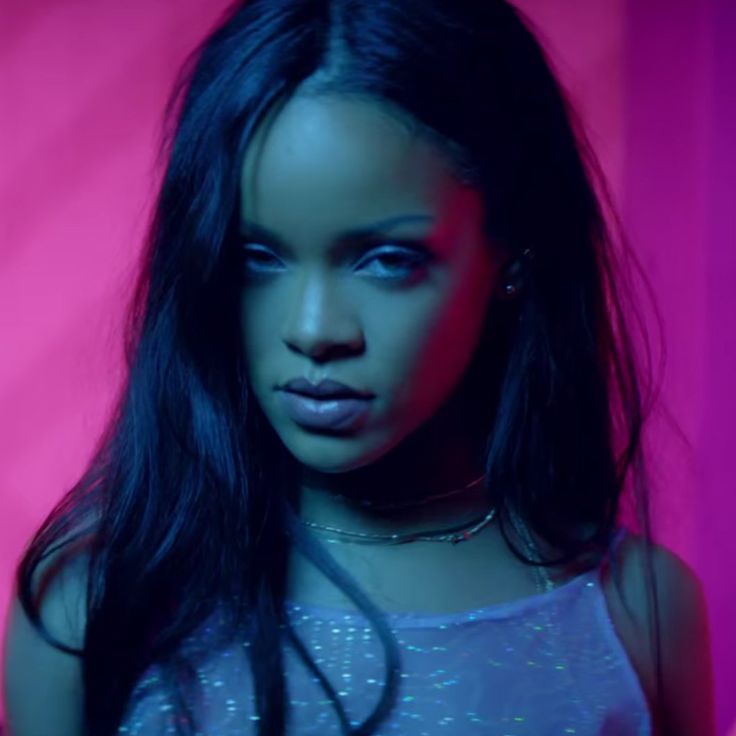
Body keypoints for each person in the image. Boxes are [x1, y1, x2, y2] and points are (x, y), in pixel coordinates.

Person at [1, 1, 715, 734]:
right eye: (257, 259)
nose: (314, 331)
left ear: (512, 255)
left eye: (386, 261)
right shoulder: (95, 608)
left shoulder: (635, 617)